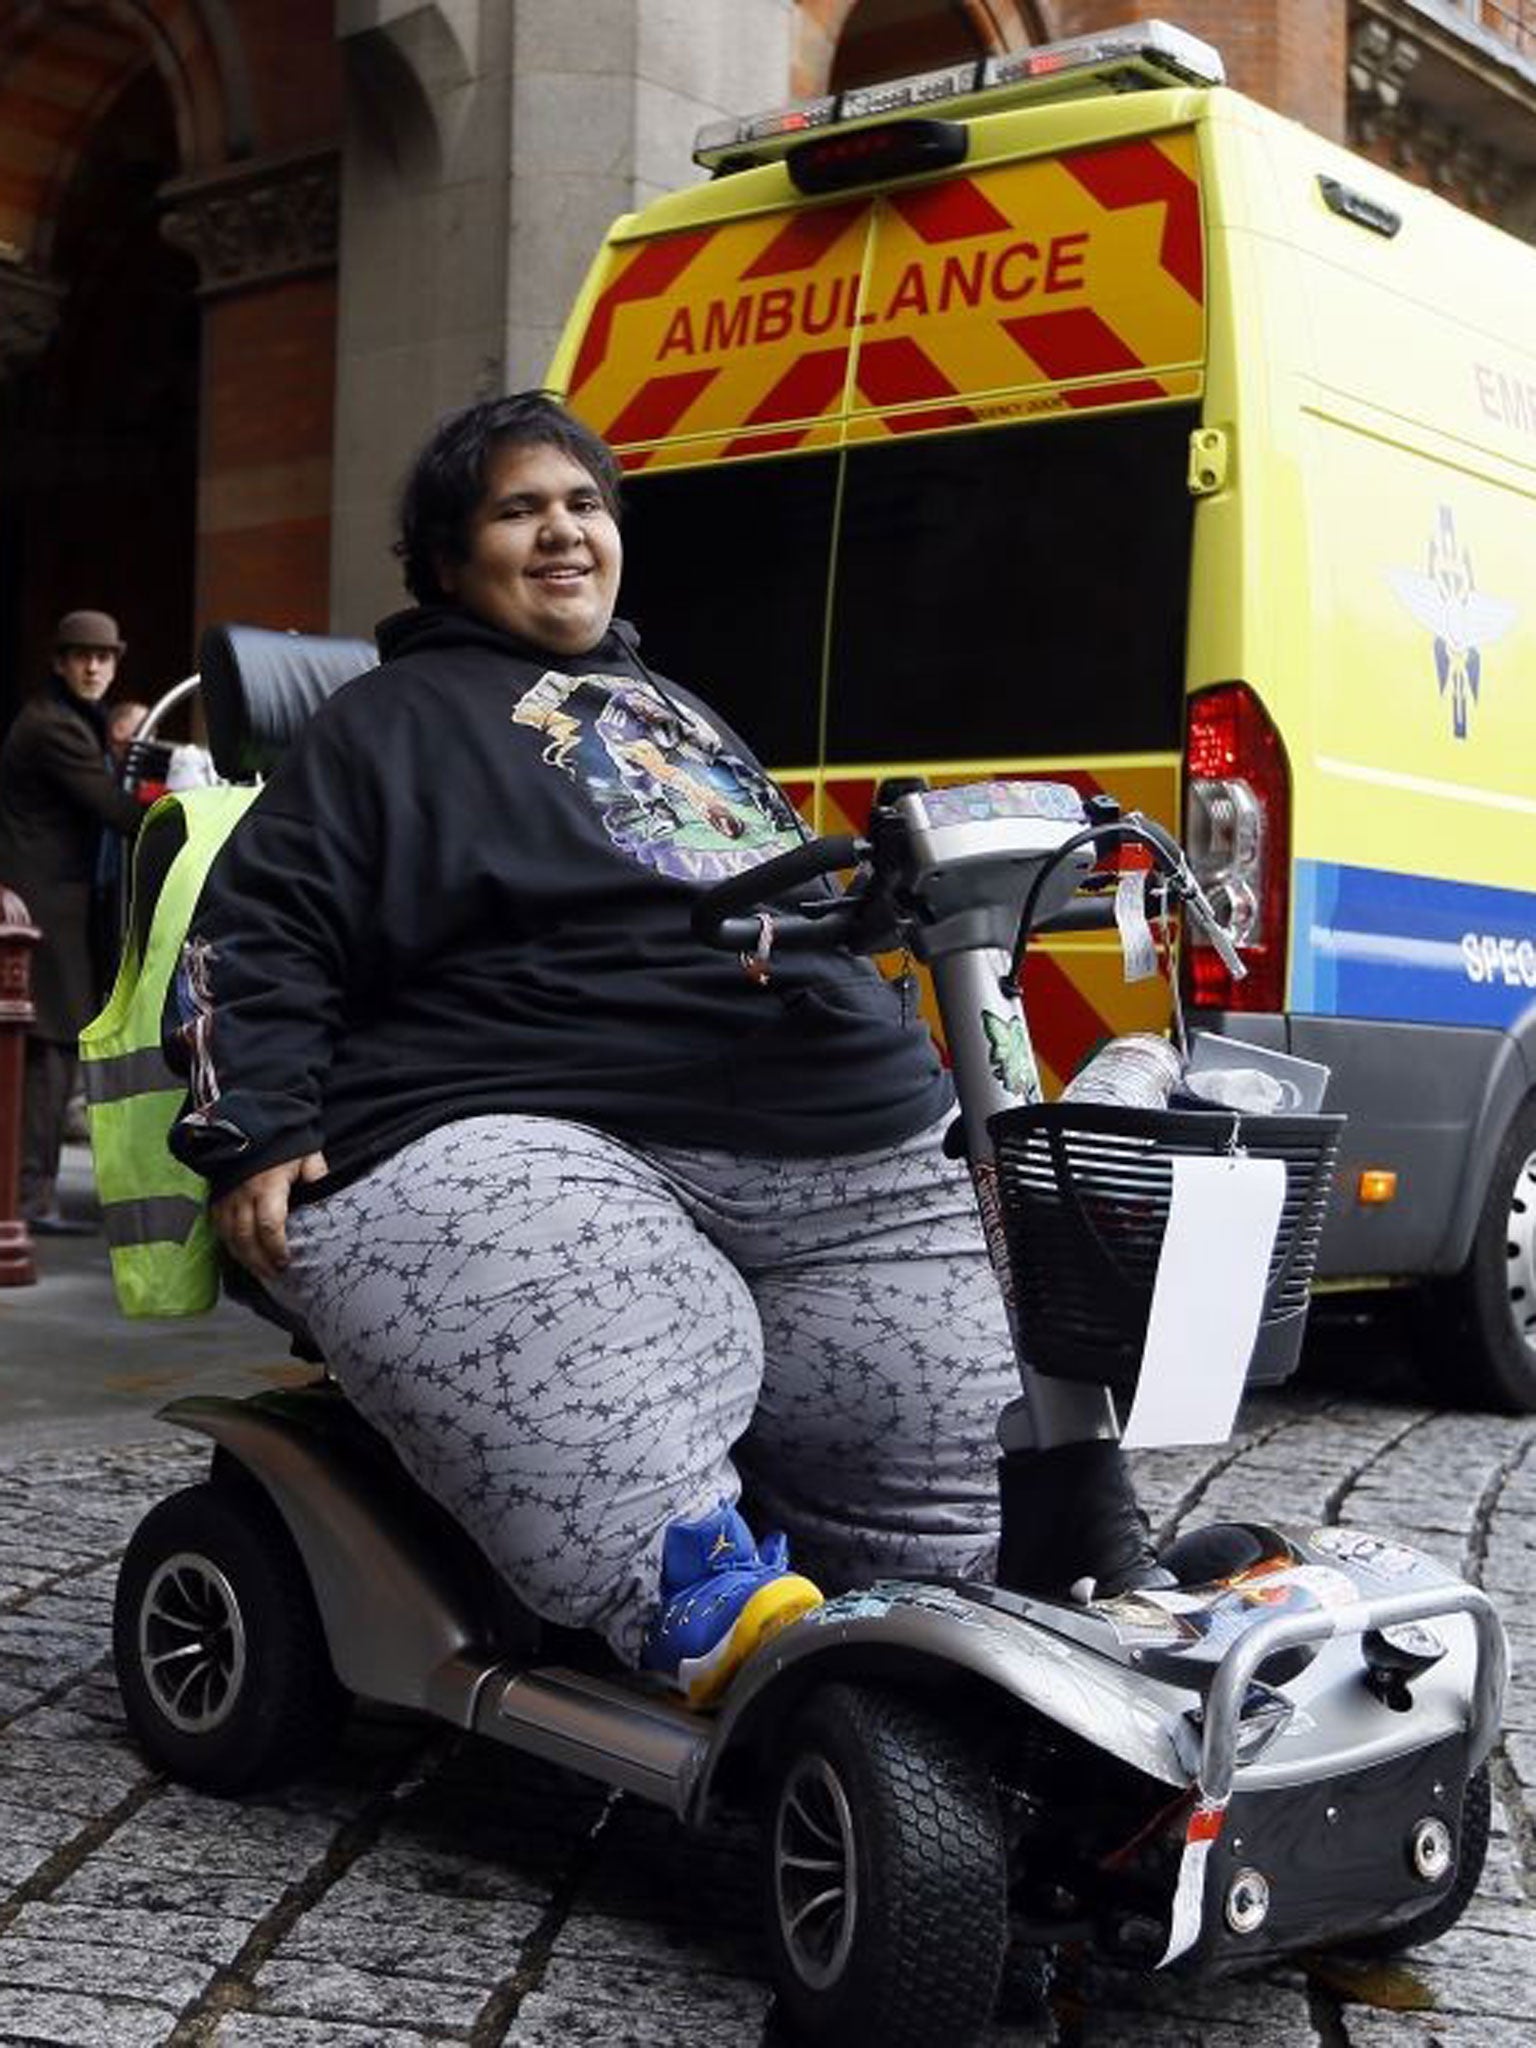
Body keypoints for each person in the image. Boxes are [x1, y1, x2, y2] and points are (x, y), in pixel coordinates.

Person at [165, 392, 1160, 1709]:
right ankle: (690, 1584)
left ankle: (958, 1591)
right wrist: (260, 1130)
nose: (564, 532)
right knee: (576, 1295)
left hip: (834, 1133)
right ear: (451, 558)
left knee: (962, 1424)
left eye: (585, 504)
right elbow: (262, 925)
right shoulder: (385, 722)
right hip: (541, 1115)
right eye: (520, 510)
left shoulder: (672, 706)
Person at [0, 611, 143, 1233]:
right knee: (50, 1052)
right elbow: (112, 807)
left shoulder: (69, 720)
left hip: (52, 904)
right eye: (81, 656)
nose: (92, 667)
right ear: (59, 662)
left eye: (103, 657)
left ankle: (31, 1193)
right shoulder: (53, 727)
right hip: (44, 908)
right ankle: (30, 1198)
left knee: (47, 1051)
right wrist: (189, 805)